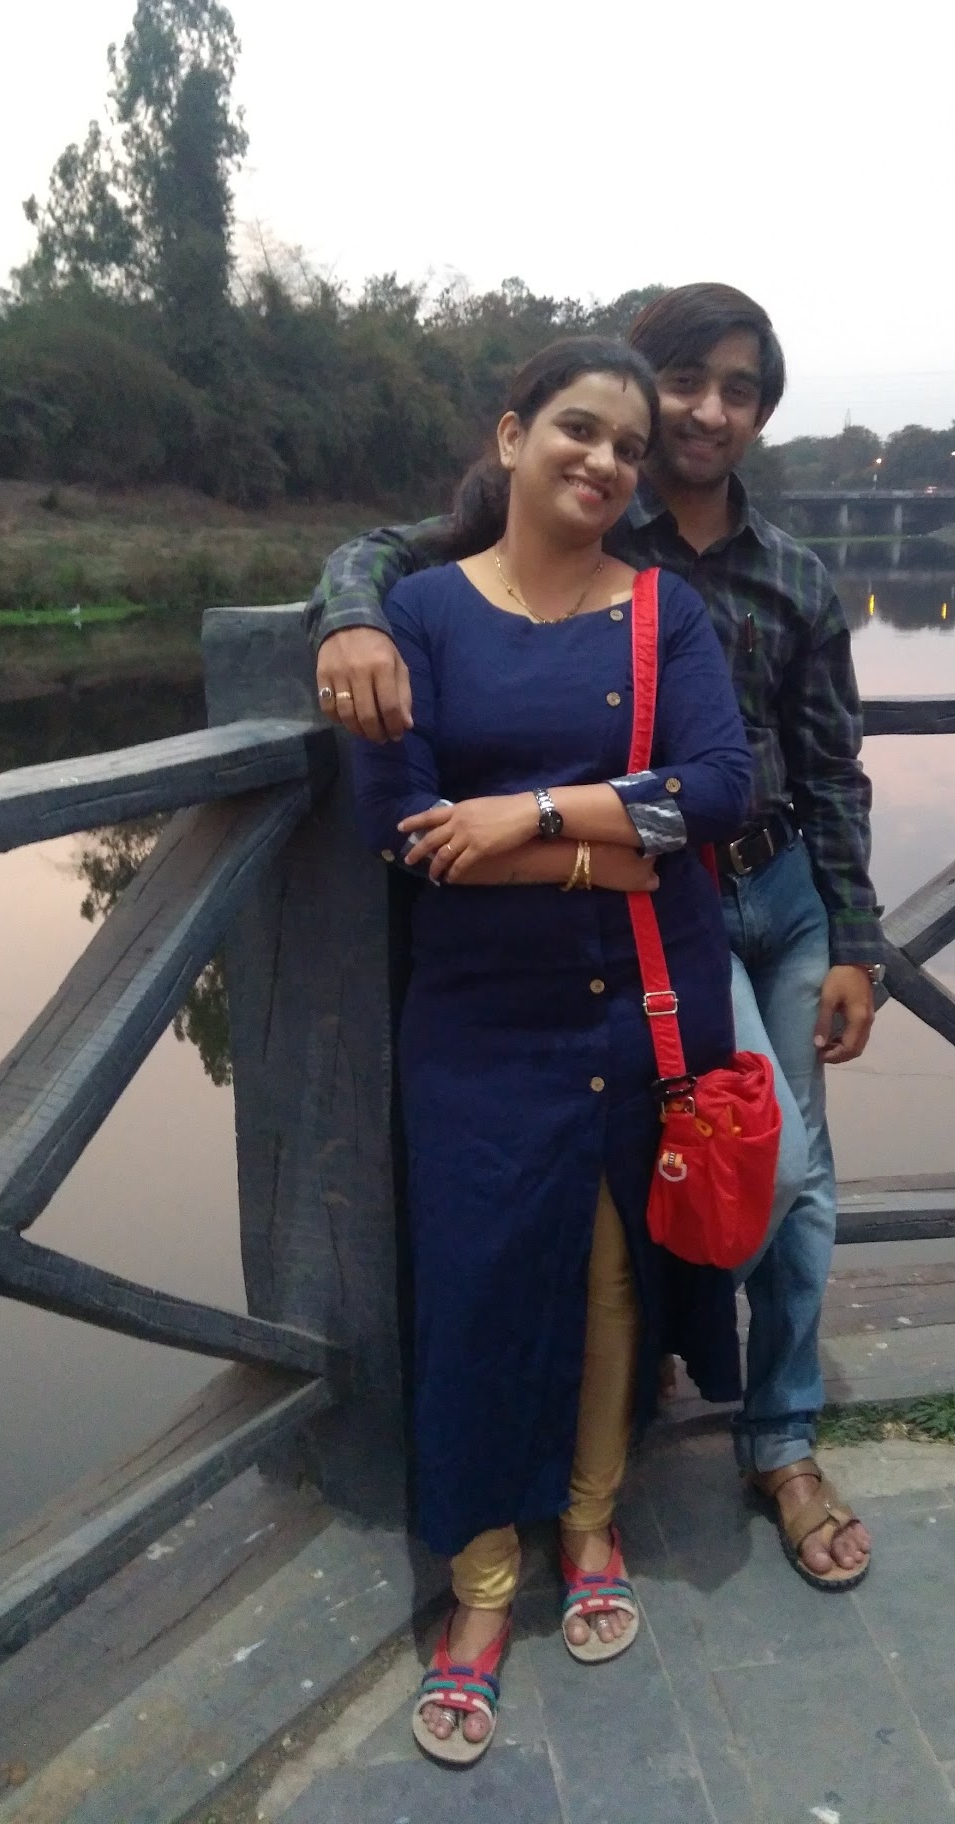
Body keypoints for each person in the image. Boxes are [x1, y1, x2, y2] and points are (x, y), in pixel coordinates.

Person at [307, 286, 883, 1596]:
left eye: (742, 390)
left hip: (772, 892)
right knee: (728, 1177)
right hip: (658, 914)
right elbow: (379, 560)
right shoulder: (573, 521)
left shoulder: (787, 575)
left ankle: (781, 1441)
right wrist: (348, 617)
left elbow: (824, 771)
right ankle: (605, 1430)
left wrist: (857, 936)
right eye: (686, 383)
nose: (707, 412)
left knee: (790, 1180)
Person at [343, 337, 752, 1765]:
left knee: (611, 1276)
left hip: (641, 1001)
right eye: (579, 429)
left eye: (628, 447)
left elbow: (717, 791)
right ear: (512, 436)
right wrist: (611, 849)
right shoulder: (418, 614)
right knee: (476, 1281)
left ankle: (589, 1521)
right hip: (479, 1014)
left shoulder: (663, 613)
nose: (606, 461)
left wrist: (525, 818)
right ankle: (480, 1579)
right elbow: (402, 831)